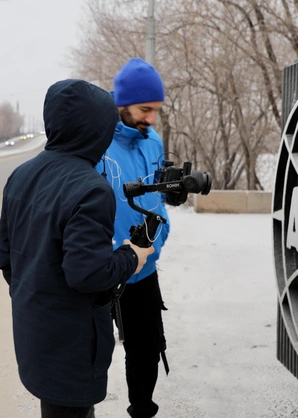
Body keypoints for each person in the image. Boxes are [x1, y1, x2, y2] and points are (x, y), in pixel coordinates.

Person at [0, 78, 155, 418]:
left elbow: (4, 254)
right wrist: (132, 256)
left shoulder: (21, 175)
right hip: (72, 347)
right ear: (96, 130)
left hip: (33, 333)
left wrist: (37, 294)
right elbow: (90, 274)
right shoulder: (91, 189)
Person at [94, 57, 170, 418]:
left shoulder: (153, 141)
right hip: (102, 269)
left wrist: (157, 241)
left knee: (147, 350)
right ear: (121, 102)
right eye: (145, 109)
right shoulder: (94, 139)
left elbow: (160, 202)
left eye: (155, 110)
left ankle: (142, 411)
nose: (151, 119)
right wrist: (110, 254)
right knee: (90, 354)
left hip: (143, 268)